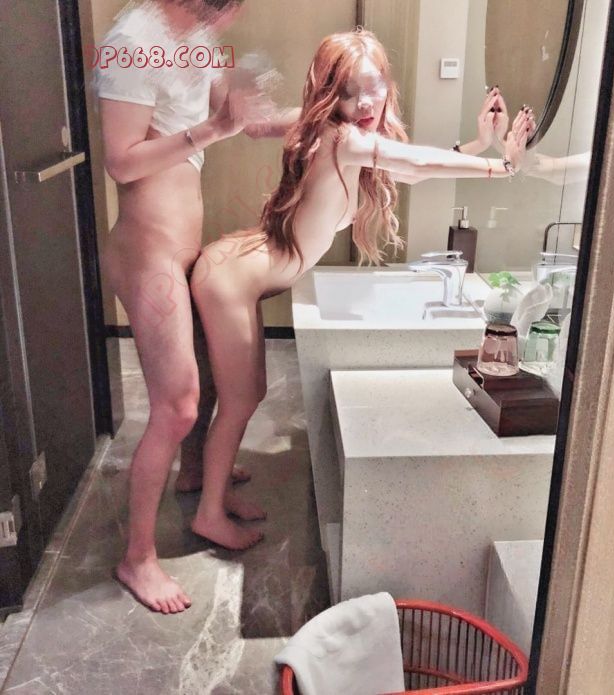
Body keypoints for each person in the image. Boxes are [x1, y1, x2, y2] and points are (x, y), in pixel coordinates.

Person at [186, 29, 534, 552]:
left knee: (228, 392)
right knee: (242, 397)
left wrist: (479, 145)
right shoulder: (342, 139)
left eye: (374, 87)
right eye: (350, 92)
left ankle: (202, 477)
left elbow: (407, 169)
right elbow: (415, 164)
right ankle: (209, 514)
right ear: (331, 93)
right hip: (229, 279)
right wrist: (501, 165)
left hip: (235, 269)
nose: (365, 103)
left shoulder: (326, 130)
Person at [95, 0, 297, 614]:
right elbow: (120, 161)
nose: (232, 17)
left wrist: (317, 119)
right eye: (228, 5)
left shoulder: (200, 35)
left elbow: (238, 119)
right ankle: (138, 558)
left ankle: (193, 476)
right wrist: (211, 131)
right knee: (178, 404)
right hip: (146, 253)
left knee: (208, 379)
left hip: (182, 244)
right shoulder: (133, 40)